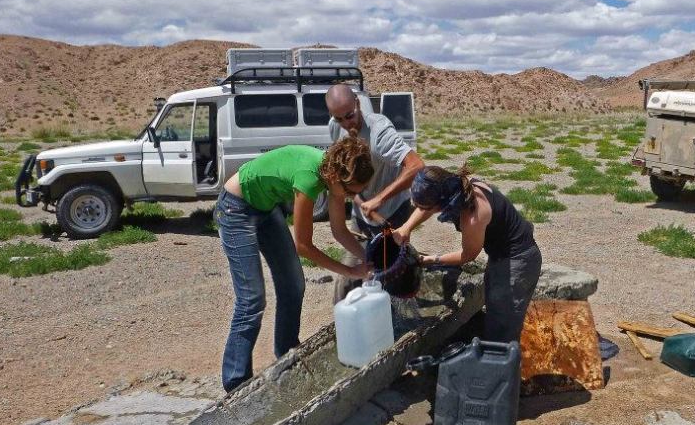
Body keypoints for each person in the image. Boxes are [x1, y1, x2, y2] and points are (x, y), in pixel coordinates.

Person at [214, 138, 374, 392]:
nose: (354, 197)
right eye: (352, 191)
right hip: (235, 208)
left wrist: (367, 259)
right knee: (251, 299)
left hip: (265, 209)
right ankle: (235, 383)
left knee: (294, 285)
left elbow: (339, 230)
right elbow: (304, 245)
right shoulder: (310, 178)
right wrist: (350, 271)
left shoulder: (332, 177)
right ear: (336, 177)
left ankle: (286, 354)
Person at [392, 166, 542, 342]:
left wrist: (431, 259)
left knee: (502, 326)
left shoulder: (472, 216)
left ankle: (502, 363)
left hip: (518, 263)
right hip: (506, 255)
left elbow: (467, 255)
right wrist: (406, 227)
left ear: (442, 201)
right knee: (496, 309)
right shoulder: (462, 187)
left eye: (427, 206)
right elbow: (426, 205)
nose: (418, 208)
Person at [326, 84, 424, 300]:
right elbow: (345, 173)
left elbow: (416, 166)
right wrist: (359, 199)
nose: (345, 123)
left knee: (389, 272)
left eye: (349, 115)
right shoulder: (336, 127)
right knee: (351, 273)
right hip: (360, 214)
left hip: (392, 212)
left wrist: (379, 199)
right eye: (338, 118)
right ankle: (344, 321)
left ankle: (392, 317)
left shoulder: (379, 132)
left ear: (358, 104)